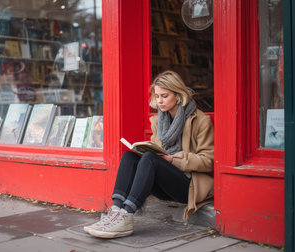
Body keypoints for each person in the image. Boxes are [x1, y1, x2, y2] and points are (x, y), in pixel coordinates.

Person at [84, 70, 214, 239]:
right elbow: (155, 150)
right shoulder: (159, 121)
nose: (159, 101)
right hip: (164, 183)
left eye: (165, 96)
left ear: (178, 95)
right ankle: (115, 211)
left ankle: (127, 215)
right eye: (157, 96)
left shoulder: (201, 120)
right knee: (129, 156)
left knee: (150, 159)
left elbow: (208, 161)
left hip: (188, 186)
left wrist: (173, 159)